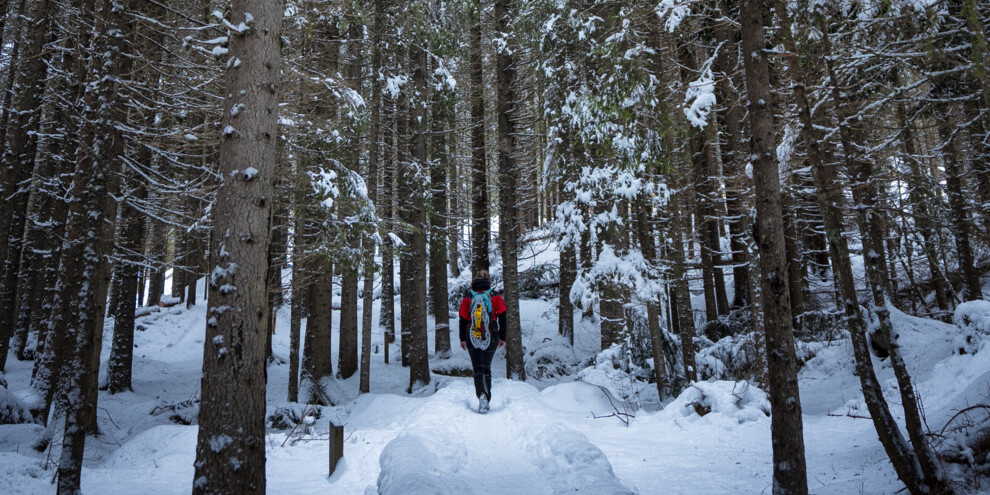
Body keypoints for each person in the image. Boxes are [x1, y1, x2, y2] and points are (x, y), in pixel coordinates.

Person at [458, 269, 506, 413]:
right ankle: (487, 397)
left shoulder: (468, 297)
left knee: (477, 368)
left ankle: (481, 395)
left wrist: (462, 338)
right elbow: (503, 317)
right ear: (489, 280)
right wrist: (502, 336)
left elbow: (462, 318)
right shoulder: (495, 296)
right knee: (486, 368)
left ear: (475, 279)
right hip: (491, 333)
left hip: (471, 334)